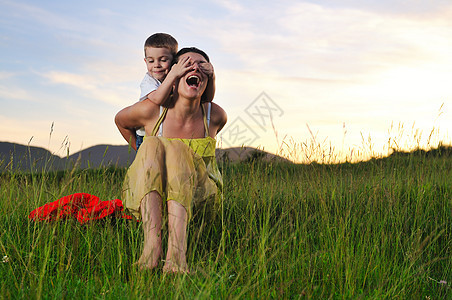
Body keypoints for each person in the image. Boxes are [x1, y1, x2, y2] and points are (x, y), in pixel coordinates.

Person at [115, 47, 227, 273]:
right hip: (156, 200)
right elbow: (121, 121)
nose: (194, 68)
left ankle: (176, 258)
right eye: (186, 64)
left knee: (176, 148)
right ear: (173, 77)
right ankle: (151, 251)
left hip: (199, 200)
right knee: (153, 144)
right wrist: (143, 154)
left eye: (202, 66)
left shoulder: (213, 115)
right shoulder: (153, 111)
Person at [134, 33, 216, 150]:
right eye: (151, 61)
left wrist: (212, 77)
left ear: (172, 61)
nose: (157, 65)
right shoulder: (149, 81)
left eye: (163, 60)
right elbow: (159, 100)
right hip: (143, 134)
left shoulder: (176, 77)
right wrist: (173, 73)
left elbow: (207, 99)